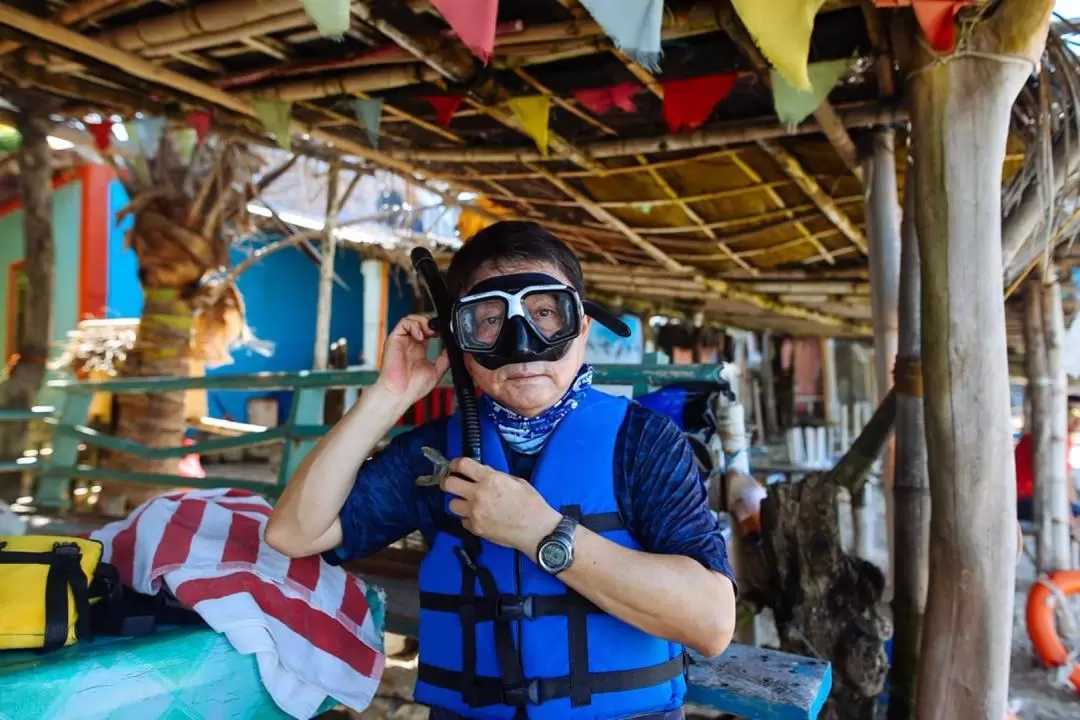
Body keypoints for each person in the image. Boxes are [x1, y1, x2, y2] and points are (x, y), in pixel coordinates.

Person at [266, 221, 737, 719]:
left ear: (582, 327)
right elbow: (294, 532)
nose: (522, 342)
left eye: (544, 313)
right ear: (458, 340)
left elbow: (711, 623)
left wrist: (541, 533)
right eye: (489, 320)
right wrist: (390, 396)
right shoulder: (438, 455)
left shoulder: (642, 443)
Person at [1014, 428, 1080, 538]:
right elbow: (1060, 483)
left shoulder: (1032, 438)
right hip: (1026, 501)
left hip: (1025, 500)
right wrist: (1070, 516)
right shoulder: (1054, 441)